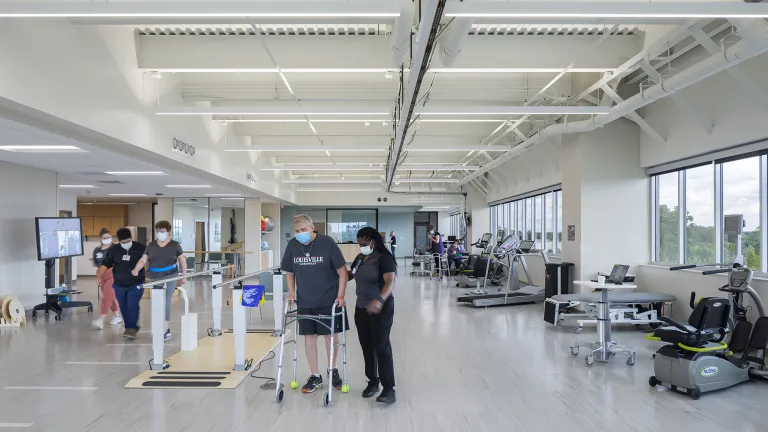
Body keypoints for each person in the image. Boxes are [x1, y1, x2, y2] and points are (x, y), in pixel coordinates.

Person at [280, 214, 348, 394]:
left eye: (303, 230)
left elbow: (342, 272)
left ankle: (332, 370)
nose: (299, 234)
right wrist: (291, 293)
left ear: (312, 227)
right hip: (305, 300)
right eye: (296, 231)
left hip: (328, 299)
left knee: (330, 337)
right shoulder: (292, 245)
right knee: (309, 338)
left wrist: (341, 295)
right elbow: (289, 272)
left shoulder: (327, 243)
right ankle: (315, 375)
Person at [349, 227, 397, 403]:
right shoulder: (360, 258)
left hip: (381, 308)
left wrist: (379, 300)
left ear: (373, 241)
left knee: (381, 346)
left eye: (364, 243)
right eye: (359, 243)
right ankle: (372, 382)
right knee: (366, 346)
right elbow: (350, 275)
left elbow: (390, 282)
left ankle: (389, 389)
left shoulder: (384, 258)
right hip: (361, 307)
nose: (361, 246)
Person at [132, 220, 187, 342]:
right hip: (155, 277)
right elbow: (143, 260)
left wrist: (184, 276)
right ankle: (159, 326)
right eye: (158, 231)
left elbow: (183, 261)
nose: (160, 233)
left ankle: (166, 329)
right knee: (157, 302)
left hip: (171, 276)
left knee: (165, 302)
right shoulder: (151, 245)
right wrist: (136, 269)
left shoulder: (175, 245)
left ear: (168, 232)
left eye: (162, 231)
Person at [96, 228, 146, 339]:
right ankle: (128, 328)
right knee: (123, 307)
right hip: (119, 284)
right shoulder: (114, 250)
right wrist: (99, 276)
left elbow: (149, 260)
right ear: (119, 241)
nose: (126, 243)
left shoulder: (141, 248)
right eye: (123, 242)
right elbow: (105, 264)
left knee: (132, 305)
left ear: (131, 238)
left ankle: (131, 328)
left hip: (136, 283)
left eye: (128, 241)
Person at [91, 228, 122, 329]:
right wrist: (99, 276)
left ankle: (101, 319)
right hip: (101, 274)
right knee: (109, 296)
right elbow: (96, 262)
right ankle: (117, 316)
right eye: (104, 238)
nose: (107, 239)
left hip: (113, 274)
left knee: (106, 297)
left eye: (108, 237)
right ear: (101, 238)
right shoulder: (97, 250)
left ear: (111, 237)